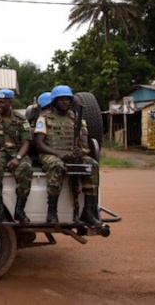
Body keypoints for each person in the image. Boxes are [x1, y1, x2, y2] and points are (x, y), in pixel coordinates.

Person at [33, 85, 101, 226]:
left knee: (92, 165)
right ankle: (52, 213)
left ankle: (88, 211)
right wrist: (58, 153)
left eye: (67, 99)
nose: (64, 102)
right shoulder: (44, 117)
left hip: (71, 153)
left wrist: (80, 151)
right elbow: (39, 143)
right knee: (57, 165)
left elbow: (84, 140)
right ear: (54, 101)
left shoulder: (77, 117)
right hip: (50, 153)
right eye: (61, 99)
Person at [0, 89, 33, 224]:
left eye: (2, 102)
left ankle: (20, 210)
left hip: (17, 152)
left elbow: (26, 142)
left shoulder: (20, 119)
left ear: (10, 102)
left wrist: (18, 158)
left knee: (26, 169)